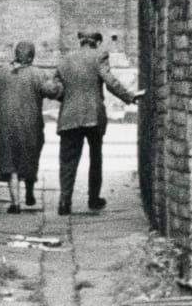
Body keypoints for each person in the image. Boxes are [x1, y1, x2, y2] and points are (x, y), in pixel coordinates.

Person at [53, 30, 141, 215]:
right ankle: (93, 199)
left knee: (68, 161)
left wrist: (69, 99)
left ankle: (64, 202)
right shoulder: (100, 55)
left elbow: (56, 89)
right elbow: (109, 81)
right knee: (95, 158)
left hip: (69, 116)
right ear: (97, 42)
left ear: (80, 42)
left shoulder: (66, 59)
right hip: (93, 116)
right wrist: (129, 97)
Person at [0, 40, 61, 213]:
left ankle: (15, 204)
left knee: (11, 163)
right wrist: (60, 83)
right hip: (31, 125)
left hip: (6, 125)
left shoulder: (2, 72)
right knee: (30, 156)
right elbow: (53, 91)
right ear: (31, 56)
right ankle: (30, 191)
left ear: (16, 54)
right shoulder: (38, 74)